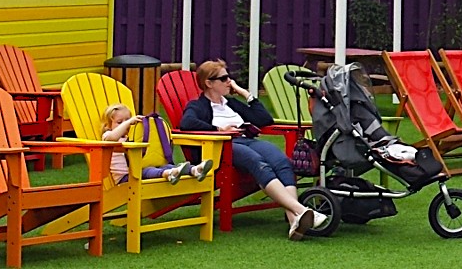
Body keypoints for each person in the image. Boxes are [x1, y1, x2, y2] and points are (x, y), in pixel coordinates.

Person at [179, 59, 325, 240]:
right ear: (209, 83)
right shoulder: (197, 105)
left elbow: (264, 119)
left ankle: (293, 218)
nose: (229, 82)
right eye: (224, 79)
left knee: (282, 162)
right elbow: (187, 123)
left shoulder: (230, 103)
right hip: (223, 146)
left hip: (245, 140)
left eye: (228, 78)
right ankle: (300, 210)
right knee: (257, 162)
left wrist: (244, 93)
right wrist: (218, 130)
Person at [102, 103, 213, 185]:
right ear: (107, 125)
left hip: (142, 170)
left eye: (127, 119)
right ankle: (168, 174)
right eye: (119, 122)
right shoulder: (108, 135)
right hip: (126, 178)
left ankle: (194, 170)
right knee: (148, 171)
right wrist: (128, 123)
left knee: (166, 166)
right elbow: (110, 139)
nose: (125, 124)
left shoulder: (131, 137)